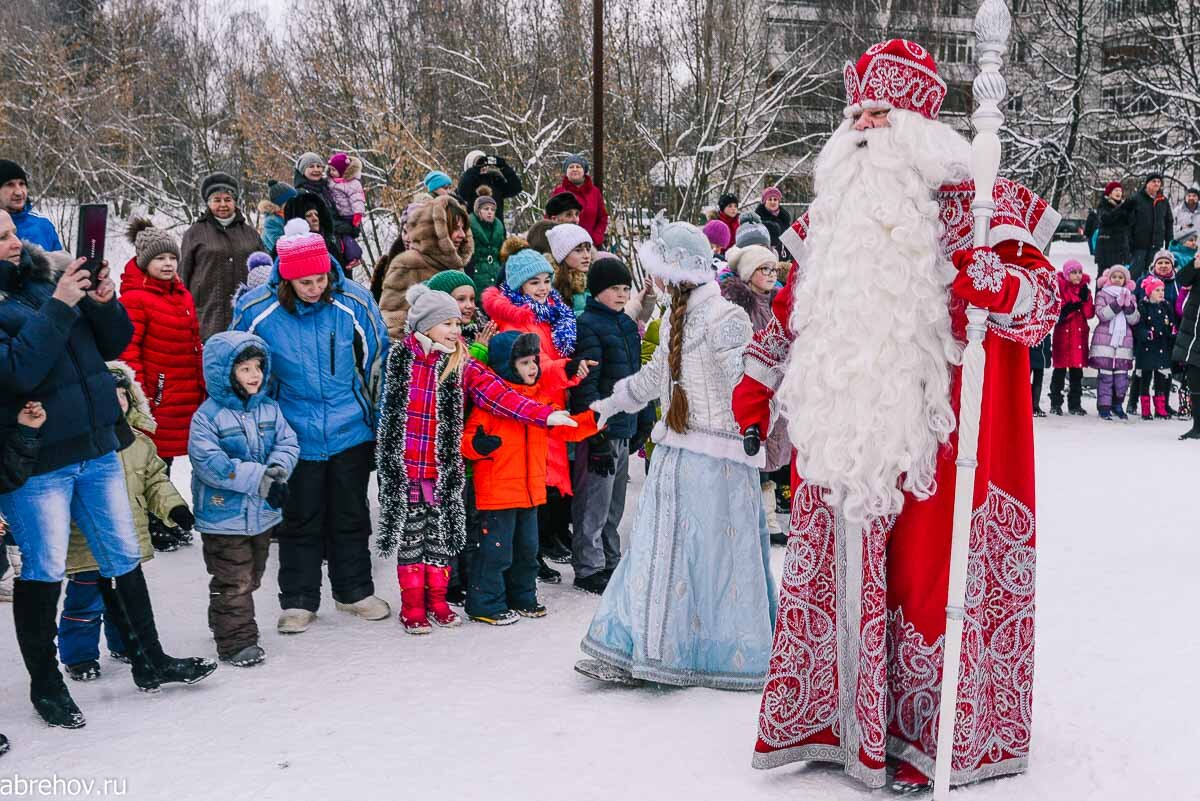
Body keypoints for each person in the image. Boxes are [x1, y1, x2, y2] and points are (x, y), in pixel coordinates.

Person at [730, 40, 1060, 792]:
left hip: (944, 445)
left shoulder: (986, 205)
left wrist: (1000, 286)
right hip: (845, 441)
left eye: (879, 112)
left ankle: (928, 733)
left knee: (928, 577)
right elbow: (790, 312)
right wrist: (757, 388)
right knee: (846, 570)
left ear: (918, 123)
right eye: (856, 114)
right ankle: (843, 721)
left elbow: (1043, 306)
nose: (863, 125)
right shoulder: (831, 212)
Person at [0, 212, 215, 729]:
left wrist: (101, 301)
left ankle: (149, 659)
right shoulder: (46, 295)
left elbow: (112, 345)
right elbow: (17, 371)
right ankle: (46, 686)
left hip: (97, 444)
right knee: (44, 569)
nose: (13, 242)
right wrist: (60, 306)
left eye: (10, 231)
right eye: (1, 237)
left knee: (122, 557)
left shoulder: (49, 274)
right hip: (37, 460)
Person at [575, 216, 775, 690]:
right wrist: (608, 404)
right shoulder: (674, 319)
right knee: (661, 554)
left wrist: (753, 430)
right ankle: (650, 644)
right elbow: (652, 381)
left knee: (710, 558)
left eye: (659, 269)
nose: (654, 280)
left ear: (678, 271)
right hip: (677, 456)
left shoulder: (727, 317)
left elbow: (743, 385)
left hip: (719, 461)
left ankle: (707, 652)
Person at [374, 285, 577, 631]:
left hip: (445, 470)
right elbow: (387, 413)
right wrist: (388, 465)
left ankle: (438, 600)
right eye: (448, 323)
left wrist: (542, 415)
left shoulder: (461, 362)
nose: (456, 330)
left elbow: (499, 394)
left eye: (457, 322)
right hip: (411, 470)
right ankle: (413, 605)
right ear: (424, 325)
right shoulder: (401, 359)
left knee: (440, 537)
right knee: (412, 538)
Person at [230, 219, 391, 634]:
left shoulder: (352, 301)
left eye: (320, 278)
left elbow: (376, 360)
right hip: (291, 431)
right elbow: (234, 366)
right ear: (286, 276)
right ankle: (299, 599)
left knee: (351, 512)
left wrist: (379, 416)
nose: (314, 287)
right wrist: (256, 425)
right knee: (300, 517)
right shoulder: (256, 310)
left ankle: (354, 590)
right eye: (304, 281)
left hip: (349, 426)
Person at [58, 362, 192, 681]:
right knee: (85, 605)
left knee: (125, 599)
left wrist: (174, 509)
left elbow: (156, 482)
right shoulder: (75, 446)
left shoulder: (139, 443)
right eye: (107, 395)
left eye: (122, 395)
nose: (116, 402)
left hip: (126, 541)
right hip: (87, 544)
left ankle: (126, 645)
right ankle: (80, 656)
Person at [463, 331, 597, 624]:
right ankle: (484, 602)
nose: (533, 367)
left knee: (527, 550)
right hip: (497, 494)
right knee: (496, 551)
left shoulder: (539, 400)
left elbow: (564, 427)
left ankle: (523, 596)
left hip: (530, 491)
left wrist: (593, 419)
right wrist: (478, 445)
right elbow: (465, 441)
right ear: (506, 365)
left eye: (534, 360)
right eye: (524, 362)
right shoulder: (490, 406)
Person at [189, 331, 299, 666]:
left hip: (262, 514)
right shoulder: (207, 417)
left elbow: (288, 442)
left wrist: (278, 470)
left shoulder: (269, 409)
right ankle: (237, 642)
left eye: (258, 368)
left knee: (253, 575)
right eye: (244, 369)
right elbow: (212, 464)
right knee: (234, 580)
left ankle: (223, 617)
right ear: (225, 373)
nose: (255, 376)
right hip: (223, 516)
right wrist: (259, 478)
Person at [482, 244, 579, 580]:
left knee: (550, 483)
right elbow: (534, 368)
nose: (542, 288)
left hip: (553, 403)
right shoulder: (515, 320)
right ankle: (531, 555)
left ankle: (543, 544)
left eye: (546, 281)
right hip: (532, 408)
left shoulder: (551, 313)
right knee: (535, 483)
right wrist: (568, 367)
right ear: (519, 286)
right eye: (533, 282)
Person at [568, 257, 653, 594]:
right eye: (614, 289)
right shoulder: (587, 324)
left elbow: (637, 376)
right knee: (594, 501)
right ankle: (588, 566)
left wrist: (644, 418)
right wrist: (596, 429)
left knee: (615, 502)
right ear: (597, 291)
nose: (621, 295)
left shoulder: (627, 326)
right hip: (601, 430)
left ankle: (610, 558)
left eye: (625, 289)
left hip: (626, 426)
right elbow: (587, 386)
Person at [117, 218, 204, 470]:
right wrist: (143, 399)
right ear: (145, 262)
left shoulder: (181, 294)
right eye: (160, 258)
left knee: (167, 466)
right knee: (154, 468)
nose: (168, 264)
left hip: (184, 395)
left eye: (172, 258)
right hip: (159, 399)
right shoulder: (135, 300)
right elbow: (129, 355)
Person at [722, 243, 790, 543]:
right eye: (764, 269)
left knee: (772, 458)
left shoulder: (778, 303)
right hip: (754, 383)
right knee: (756, 457)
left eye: (774, 269)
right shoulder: (739, 307)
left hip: (778, 387)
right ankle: (759, 518)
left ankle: (769, 515)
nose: (771, 274)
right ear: (749, 273)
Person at [179, 172, 264, 341]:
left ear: (235, 202)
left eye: (228, 199)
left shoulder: (250, 234)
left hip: (245, 316)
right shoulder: (195, 233)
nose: (223, 204)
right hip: (207, 316)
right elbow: (183, 275)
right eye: (217, 200)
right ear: (208, 203)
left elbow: (265, 271)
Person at [378, 195, 474, 337]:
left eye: (463, 228)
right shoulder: (408, 264)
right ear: (437, 230)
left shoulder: (455, 265)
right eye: (455, 228)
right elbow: (392, 322)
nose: (462, 235)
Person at [1089, 265, 1139, 420]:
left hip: (1123, 343)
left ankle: (1118, 405)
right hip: (1105, 343)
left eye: (1121, 277)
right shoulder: (1102, 294)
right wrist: (1117, 304)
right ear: (1109, 279)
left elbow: (1134, 319)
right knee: (1105, 377)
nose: (1117, 279)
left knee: (1121, 378)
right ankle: (1104, 407)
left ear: (1125, 280)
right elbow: (1102, 315)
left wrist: (1128, 306)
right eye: (1114, 276)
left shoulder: (1130, 296)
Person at [1051, 259, 1094, 415]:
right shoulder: (1060, 289)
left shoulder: (1085, 291)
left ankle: (1075, 404)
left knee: (1077, 373)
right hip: (1063, 337)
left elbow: (1089, 314)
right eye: (1073, 272)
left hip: (1079, 336)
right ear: (1067, 274)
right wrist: (1075, 304)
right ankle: (1056, 403)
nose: (1077, 276)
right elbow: (1059, 314)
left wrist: (1086, 300)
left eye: (1079, 272)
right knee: (1059, 373)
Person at [1133, 275, 1177, 420]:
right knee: (1145, 378)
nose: (1161, 293)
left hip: (1161, 347)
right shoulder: (1143, 305)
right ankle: (1145, 409)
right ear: (1149, 292)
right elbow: (1139, 326)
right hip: (1147, 349)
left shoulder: (1166, 306)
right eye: (1157, 290)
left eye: (1162, 290)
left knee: (1161, 378)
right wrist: (1146, 334)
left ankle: (1160, 408)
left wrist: (1172, 329)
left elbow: (1171, 322)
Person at [0, 160, 62, 252]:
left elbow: (59, 263)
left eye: (22, 184)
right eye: (10, 185)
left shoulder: (42, 224)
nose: (19, 192)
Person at [1172, 237, 1200, 438]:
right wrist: (1195, 264)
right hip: (1194, 329)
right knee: (1194, 377)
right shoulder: (1198, 261)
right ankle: (1197, 427)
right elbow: (1182, 279)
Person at [550, 155, 608, 247]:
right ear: (566, 171)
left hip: (592, 245)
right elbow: (549, 218)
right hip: (565, 246)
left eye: (578, 166)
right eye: (571, 167)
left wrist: (596, 238)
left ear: (584, 171)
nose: (575, 169)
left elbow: (602, 218)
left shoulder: (594, 192)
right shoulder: (559, 192)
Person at [1124, 173, 1174, 280]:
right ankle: (1132, 295)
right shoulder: (1136, 199)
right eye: (1153, 181)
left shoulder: (1163, 201)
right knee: (1134, 275)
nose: (1156, 184)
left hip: (1156, 245)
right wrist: (1129, 242)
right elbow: (1128, 223)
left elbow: (1168, 222)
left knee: (1152, 276)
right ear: (1147, 184)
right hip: (1138, 245)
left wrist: (1169, 242)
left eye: (1159, 182)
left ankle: (1148, 296)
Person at [326, 152, 366, 266]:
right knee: (341, 238)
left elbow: (358, 199)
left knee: (346, 236)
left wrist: (357, 215)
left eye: (334, 170)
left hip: (349, 215)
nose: (331, 172)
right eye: (330, 169)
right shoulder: (331, 181)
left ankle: (354, 256)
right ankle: (351, 256)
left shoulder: (352, 183)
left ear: (343, 171)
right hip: (338, 213)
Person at [458, 150, 523, 221]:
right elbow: (463, 192)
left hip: (497, 227)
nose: (483, 165)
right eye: (478, 162)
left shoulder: (495, 180)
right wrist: (475, 169)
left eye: (484, 162)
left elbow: (516, 188)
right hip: (475, 226)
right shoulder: (468, 182)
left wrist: (504, 167)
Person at [547, 223, 595, 315]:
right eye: (578, 250)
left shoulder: (593, 279)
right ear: (562, 255)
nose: (586, 256)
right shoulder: (550, 286)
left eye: (588, 249)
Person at [467, 186, 505, 298]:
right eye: (486, 209)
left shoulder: (498, 227)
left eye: (492, 210)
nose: (490, 212)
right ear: (478, 211)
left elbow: (501, 252)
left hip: (496, 272)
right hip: (476, 272)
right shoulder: (469, 226)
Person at [1094, 181, 1131, 272]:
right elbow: (1105, 219)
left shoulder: (1124, 207)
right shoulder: (1103, 205)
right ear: (1109, 193)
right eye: (1116, 190)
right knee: (1104, 276)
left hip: (1121, 248)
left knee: (1119, 276)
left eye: (1120, 190)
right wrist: (1120, 208)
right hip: (1106, 248)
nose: (1119, 193)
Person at [258, 180, 298, 256]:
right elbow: (280, 243)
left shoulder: (292, 215)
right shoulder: (272, 221)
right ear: (281, 204)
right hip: (276, 259)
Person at [754, 187, 792, 252]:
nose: (772, 202)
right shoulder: (758, 219)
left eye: (775, 199)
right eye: (769, 199)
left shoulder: (784, 219)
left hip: (783, 256)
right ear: (764, 202)